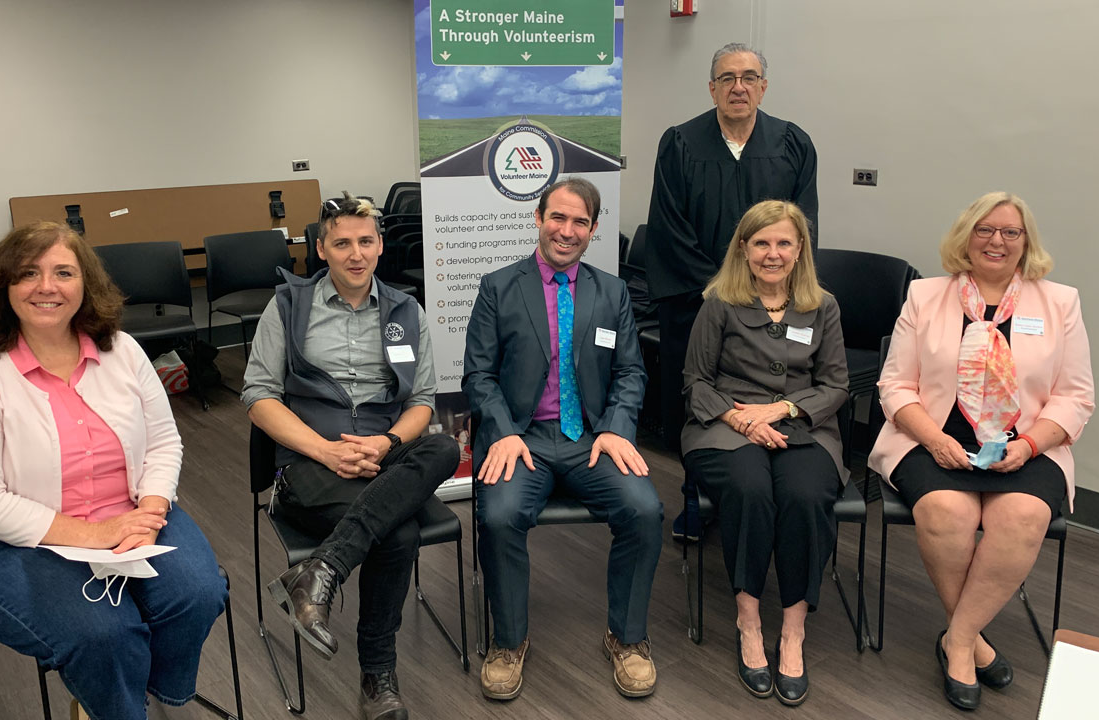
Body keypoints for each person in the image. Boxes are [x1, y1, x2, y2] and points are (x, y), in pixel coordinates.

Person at [0, 222, 226, 720]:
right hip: (10, 541)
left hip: (132, 514)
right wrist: (95, 534)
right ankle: (118, 705)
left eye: (63, 272)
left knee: (198, 594)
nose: (47, 287)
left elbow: (162, 441)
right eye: (28, 273)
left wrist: (153, 508)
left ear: (84, 285)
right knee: (104, 634)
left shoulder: (123, 351)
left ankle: (138, 699)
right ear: (3, 287)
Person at [869, 192, 1095, 711]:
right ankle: (972, 644)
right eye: (984, 230)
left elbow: (1076, 395)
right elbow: (895, 386)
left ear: (1025, 243)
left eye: (1010, 232)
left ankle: (959, 641)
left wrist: (1033, 444)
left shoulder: (1060, 302)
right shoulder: (926, 296)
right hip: (933, 439)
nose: (996, 241)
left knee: (1021, 516)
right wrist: (933, 438)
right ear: (965, 237)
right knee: (947, 511)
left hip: (1027, 449)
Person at [244, 192, 459, 720]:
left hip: (382, 454)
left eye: (366, 242)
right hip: (311, 462)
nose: (355, 254)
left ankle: (319, 572)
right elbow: (258, 395)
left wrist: (385, 444)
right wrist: (325, 450)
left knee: (445, 445)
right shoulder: (289, 305)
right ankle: (377, 675)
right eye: (342, 243)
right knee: (399, 530)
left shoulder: (407, 311)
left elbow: (422, 402)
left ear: (381, 246)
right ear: (322, 249)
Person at [463, 177, 663, 701]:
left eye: (580, 222)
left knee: (644, 510)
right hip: (522, 440)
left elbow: (630, 373)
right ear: (538, 217)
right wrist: (503, 433)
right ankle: (507, 643)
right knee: (500, 516)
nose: (566, 231)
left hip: (591, 440)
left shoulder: (612, 291)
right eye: (558, 217)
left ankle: (628, 638)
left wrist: (618, 430)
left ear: (594, 230)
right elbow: (478, 377)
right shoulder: (498, 287)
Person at [681, 200, 847, 706]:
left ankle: (793, 627)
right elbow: (694, 381)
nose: (772, 254)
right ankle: (749, 618)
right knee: (751, 491)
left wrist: (782, 411)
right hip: (723, 426)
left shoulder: (823, 305)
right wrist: (739, 417)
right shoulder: (719, 302)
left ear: (800, 251)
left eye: (783, 243)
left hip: (804, 426)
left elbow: (837, 383)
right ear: (744, 249)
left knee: (803, 495)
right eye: (761, 243)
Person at [647, 42, 819, 467]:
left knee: (765, 393)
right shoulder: (679, 143)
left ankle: (769, 480)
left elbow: (803, 225)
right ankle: (696, 491)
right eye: (727, 78)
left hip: (775, 301)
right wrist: (723, 291)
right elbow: (669, 229)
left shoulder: (793, 143)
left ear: (763, 88)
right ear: (712, 88)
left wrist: (767, 287)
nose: (737, 87)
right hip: (697, 299)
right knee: (698, 398)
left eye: (748, 78)